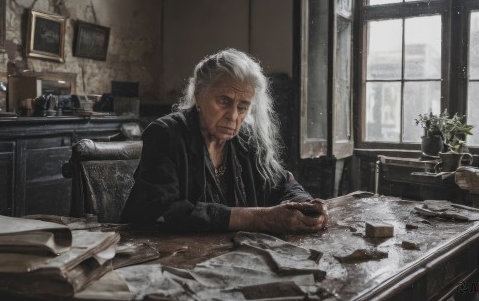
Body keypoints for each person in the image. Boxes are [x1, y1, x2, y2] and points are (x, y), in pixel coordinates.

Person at [121, 48, 327, 233]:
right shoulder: (166, 134)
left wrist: (305, 206)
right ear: (199, 94)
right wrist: (258, 218)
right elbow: (158, 212)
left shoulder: (246, 138)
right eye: (223, 101)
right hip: (178, 260)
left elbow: (283, 184)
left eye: (243, 107)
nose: (233, 116)